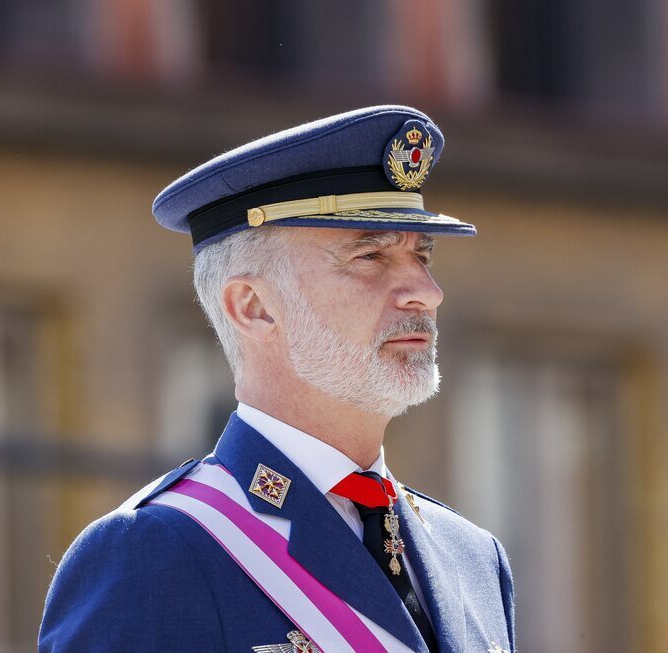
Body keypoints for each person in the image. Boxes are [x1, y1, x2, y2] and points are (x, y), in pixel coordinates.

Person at [39, 106, 515, 653]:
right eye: (371, 255)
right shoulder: (159, 551)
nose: (426, 292)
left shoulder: (473, 559)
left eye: (422, 255)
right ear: (254, 307)